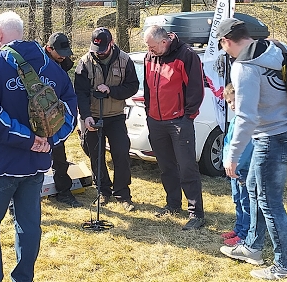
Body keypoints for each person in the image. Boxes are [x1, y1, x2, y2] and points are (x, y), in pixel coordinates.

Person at [0, 11, 77, 282]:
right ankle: (24, 281)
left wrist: (28, 139)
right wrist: (48, 141)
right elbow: (69, 111)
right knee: (29, 223)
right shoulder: (51, 67)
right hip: (37, 164)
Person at [216, 17, 287, 280]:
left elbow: (246, 116)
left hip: (271, 138)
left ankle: (285, 266)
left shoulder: (244, 67)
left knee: (270, 203)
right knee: (253, 188)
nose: (225, 52)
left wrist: (232, 154)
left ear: (227, 41)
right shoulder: (277, 49)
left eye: (223, 46)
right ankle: (252, 247)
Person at [142, 25, 205, 230]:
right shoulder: (149, 57)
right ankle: (172, 204)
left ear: (164, 41)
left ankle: (196, 213)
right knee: (166, 166)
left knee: (187, 166)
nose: (149, 50)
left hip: (179, 121)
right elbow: (148, 88)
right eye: (148, 47)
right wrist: (148, 112)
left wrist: (188, 117)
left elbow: (196, 88)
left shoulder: (186, 56)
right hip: (155, 120)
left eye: (152, 47)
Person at [74, 27, 139, 212]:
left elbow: (133, 86)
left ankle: (123, 194)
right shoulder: (84, 62)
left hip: (116, 116)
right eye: (96, 50)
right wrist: (85, 117)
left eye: (102, 50)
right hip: (92, 117)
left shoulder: (125, 60)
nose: (99, 54)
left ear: (111, 44)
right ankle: (103, 191)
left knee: (121, 154)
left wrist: (111, 90)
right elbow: (80, 92)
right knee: (96, 155)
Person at [43, 32, 81, 207]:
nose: (64, 56)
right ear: (49, 49)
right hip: (36, 115)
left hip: (55, 117)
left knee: (59, 157)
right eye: (61, 52)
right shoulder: (38, 63)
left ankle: (64, 192)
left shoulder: (62, 64)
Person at [220, 83, 253, 246]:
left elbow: (246, 147)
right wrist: (226, 161)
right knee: (237, 200)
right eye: (229, 102)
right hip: (233, 170)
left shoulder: (246, 122)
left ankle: (245, 234)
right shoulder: (234, 122)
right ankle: (238, 228)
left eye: (235, 100)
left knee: (246, 202)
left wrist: (236, 165)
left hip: (243, 169)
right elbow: (227, 143)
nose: (233, 105)